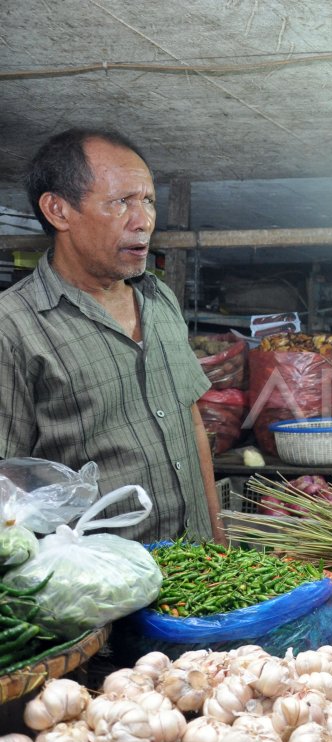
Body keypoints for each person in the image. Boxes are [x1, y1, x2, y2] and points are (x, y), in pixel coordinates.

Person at [0, 128, 222, 543]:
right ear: (58, 210)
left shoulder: (161, 300)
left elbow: (191, 423)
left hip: (198, 572)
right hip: (103, 592)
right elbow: (5, 486)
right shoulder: (13, 325)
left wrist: (219, 538)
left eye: (148, 201)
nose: (144, 222)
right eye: (121, 203)